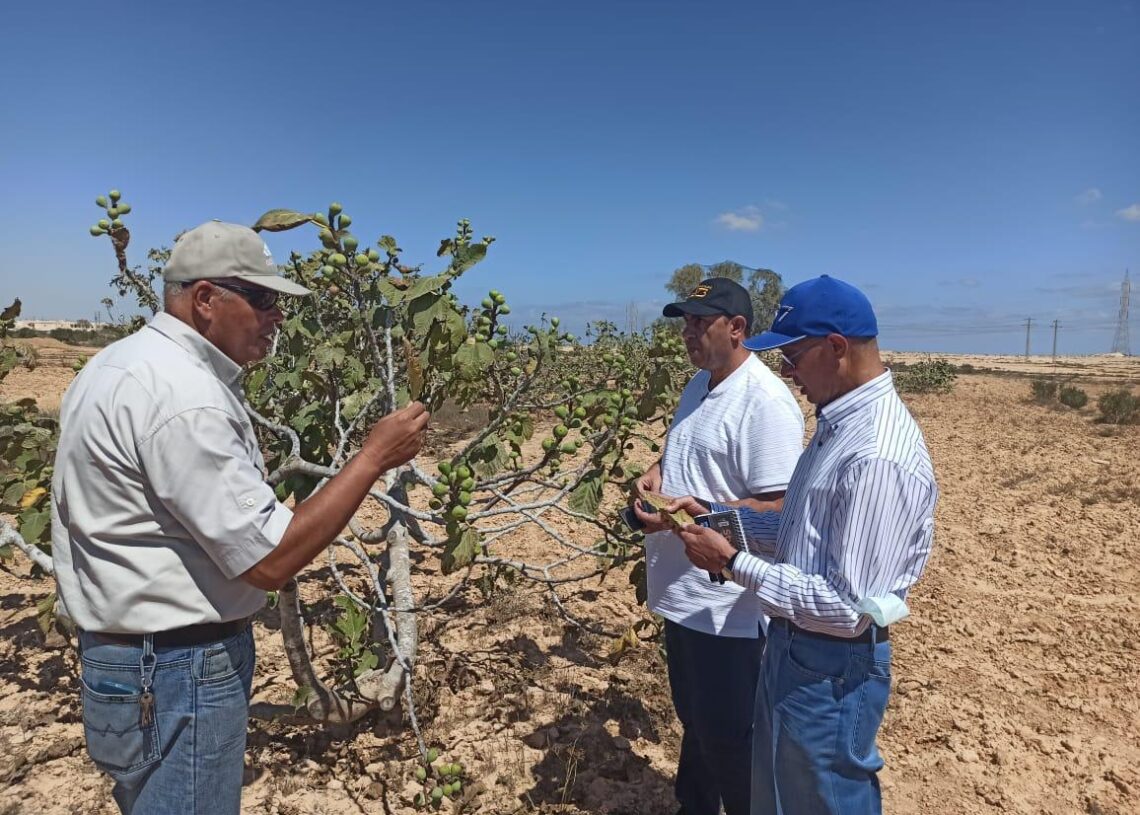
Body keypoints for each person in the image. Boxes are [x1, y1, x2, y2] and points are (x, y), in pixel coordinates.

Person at [50, 221, 430, 815]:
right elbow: (270, 560)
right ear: (206, 300)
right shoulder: (184, 397)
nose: (278, 315)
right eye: (263, 298)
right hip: (178, 668)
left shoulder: (115, 365)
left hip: (125, 661)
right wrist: (374, 457)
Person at [673, 275, 939, 815]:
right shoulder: (837, 424)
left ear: (837, 348)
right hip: (792, 650)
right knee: (776, 796)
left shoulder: (876, 456)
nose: (786, 372)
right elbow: (800, 531)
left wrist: (734, 562)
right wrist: (720, 521)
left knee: (824, 801)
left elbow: (846, 608)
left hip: (830, 667)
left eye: (793, 356)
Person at [630, 278, 804, 815]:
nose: (688, 333)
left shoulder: (765, 403)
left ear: (737, 329)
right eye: (686, 322)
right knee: (698, 723)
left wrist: (698, 514)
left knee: (731, 740)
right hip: (683, 598)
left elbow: (780, 512)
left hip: (727, 607)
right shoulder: (698, 386)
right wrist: (656, 475)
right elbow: (685, 454)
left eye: (700, 323)